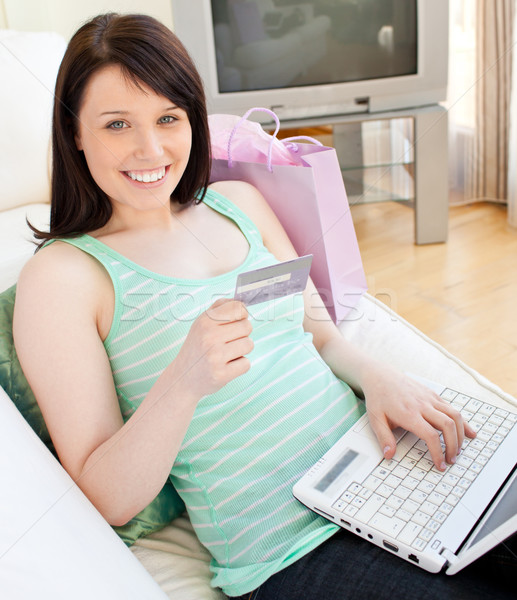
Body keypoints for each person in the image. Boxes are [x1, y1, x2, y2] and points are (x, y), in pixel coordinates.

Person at [12, 13, 515, 600]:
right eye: (117, 124)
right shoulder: (64, 277)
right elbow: (108, 498)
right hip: (292, 550)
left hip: (383, 468)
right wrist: (182, 382)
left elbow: (319, 335)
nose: (150, 149)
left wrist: (381, 380)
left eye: (168, 118)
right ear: (74, 131)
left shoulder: (238, 205)